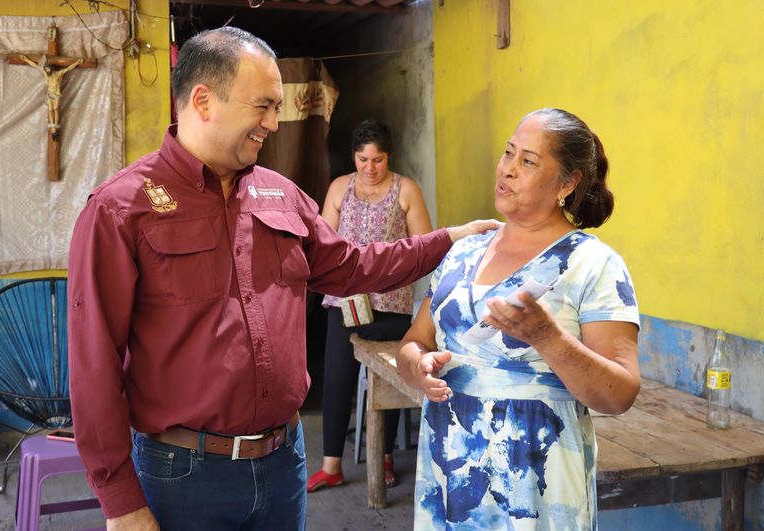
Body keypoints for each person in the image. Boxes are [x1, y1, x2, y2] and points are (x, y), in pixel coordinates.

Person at [67, 26, 497, 531]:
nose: (273, 122)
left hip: (282, 465)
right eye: (263, 106)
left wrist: (449, 240)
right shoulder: (122, 208)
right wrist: (120, 501)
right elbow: (94, 363)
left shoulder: (281, 194)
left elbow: (353, 266)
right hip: (182, 476)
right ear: (203, 100)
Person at [396, 108, 640, 530]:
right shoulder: (465, 251)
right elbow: (415, 340)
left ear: (566, 184)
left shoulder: (592, 263)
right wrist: (418, 366)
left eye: (528, 161)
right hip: (450, 469)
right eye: (508, 154)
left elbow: (619, 393)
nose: (507, 169)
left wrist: (547, 336)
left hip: (538, 481)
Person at [307, 119, 433, 492]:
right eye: (363, 159)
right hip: (345, 301)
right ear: (354, 157)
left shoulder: (405, 190)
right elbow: (322, 243)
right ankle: (332, 465)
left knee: (387, 377)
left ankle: (386, 458)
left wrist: (391, 265)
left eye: (377, 160)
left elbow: (424, 247)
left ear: (388, 157)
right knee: (337, 379)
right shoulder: (338, 189)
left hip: (390, 302)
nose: (370, 168)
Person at [20, 54, 83, 131]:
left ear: (50, 68)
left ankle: (56, 125)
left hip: (57, 94)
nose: (46, 71)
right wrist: (25, 59)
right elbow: (36, 66)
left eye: (47, 69)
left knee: (56, 109)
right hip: (49, 93)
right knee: (50, 110)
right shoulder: (46, 75)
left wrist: (77, 62)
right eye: (45, 70)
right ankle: (52, 125)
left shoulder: (58, 74)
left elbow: (69, 68)